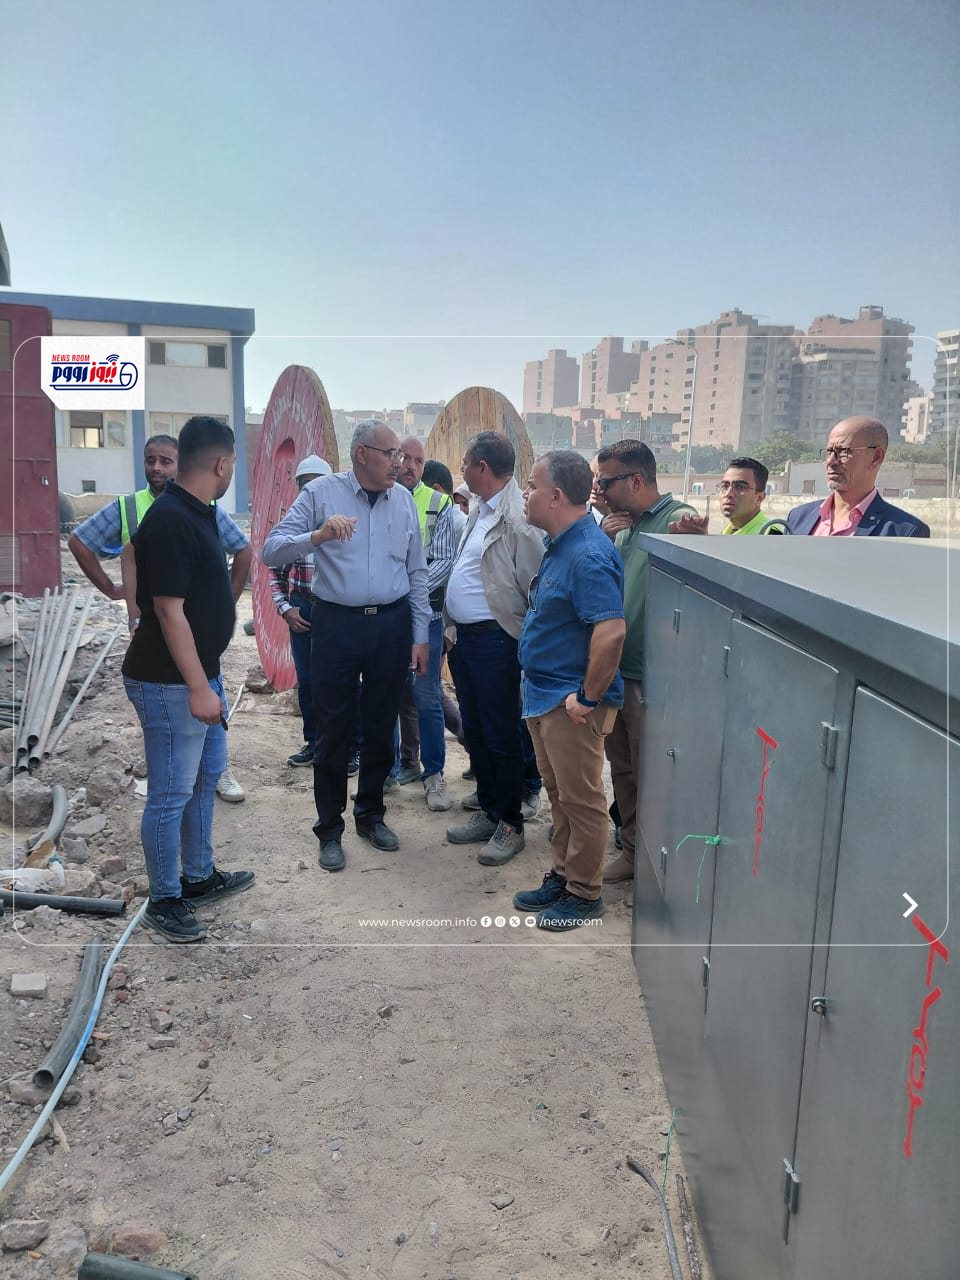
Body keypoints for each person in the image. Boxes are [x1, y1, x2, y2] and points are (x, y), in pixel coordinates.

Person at [261, 420, 430, 872]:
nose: (399, 463)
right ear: (361, 454)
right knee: (333, 729)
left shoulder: (404, 502)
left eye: (401, 455)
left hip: (390, 625)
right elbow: (271, 550)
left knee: (380, 726)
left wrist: (419, 635)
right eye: (390, 454)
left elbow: (416, 573)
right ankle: (329, 828)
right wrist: (317, 537)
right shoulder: (321, 495)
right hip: (335, 624)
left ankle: (370, 815)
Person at [121, 417, 255, 943]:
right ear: (222, 464)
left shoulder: (199, 511)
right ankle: (164, 898)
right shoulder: (172, 519)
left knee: (203, 779)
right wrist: (199, 687)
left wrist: (207, 679)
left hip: (201, 675)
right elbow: (168, 610)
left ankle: (198, 876)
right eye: (233, 464)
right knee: (171, 792)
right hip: (168, 682)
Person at [74, 433, 251, 803]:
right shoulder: (133, 508)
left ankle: (214, 774)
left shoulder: (203, 507)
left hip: (196, 641)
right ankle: (182, 778)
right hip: (158, 640)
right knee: (173, 766)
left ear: (182, 464)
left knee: (206, 727)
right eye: (150, 460)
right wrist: (112, 590)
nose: (157, 468)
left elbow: (243, 550)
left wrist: (225, 602)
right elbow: (88, 544)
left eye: (165, 461)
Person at [513, 452, 625, 929]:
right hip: (545, 695)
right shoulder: (560, 545)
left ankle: (584, 892)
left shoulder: (588, 554)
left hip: (571, 702)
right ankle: (563, 875)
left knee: (582, 800)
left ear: (556, 496)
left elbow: (611, 632)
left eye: (532, 486)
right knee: (559, 795)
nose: (525, 494)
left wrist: (588, 698)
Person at [595, 440, 698, 884]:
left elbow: (698, 564)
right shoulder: (621, 526)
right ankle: (633, 849)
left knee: (652, 774)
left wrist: (697, 541)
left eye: (606, 482)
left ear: (636, 480)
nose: (599, 490)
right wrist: (603, 534)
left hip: (652, 678)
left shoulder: (677, 520)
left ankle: (659, 864)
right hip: (619, 671)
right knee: (622, 768)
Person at [444, 432, 545, 865]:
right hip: (466, 641)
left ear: (481, 467)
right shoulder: (479, 511)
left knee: (501, 735)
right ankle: (488, 810)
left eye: (465, 463)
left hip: (497, 641)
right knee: (477, 730)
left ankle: (510, 824)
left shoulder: (519, 518)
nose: (461, 470)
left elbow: (535, 586)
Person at [393, 437, 458, 810]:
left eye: (418, 461)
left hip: (426, 617)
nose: (411, 466)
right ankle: (386, 772)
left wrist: (406, 591)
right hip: (384, 618)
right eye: (405, 457)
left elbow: (445, 560)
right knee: (382, 694)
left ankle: (434, 776)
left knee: (427, 696)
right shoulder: (377, 497)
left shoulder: (439, 503)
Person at [268, 454, 335, 768]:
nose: (310, 490)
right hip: (304, 610)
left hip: (336, 612)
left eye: (316, 484)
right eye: (305, 485)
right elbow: (275, 573)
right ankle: (314, 743)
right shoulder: (292, 530)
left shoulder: (342, 523)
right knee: (307, 681)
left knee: (341, 681)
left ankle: (350, 747)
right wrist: (286, 610)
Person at [786, 417, 931, 537]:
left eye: (843, 451)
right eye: (829, 451)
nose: (831, 461)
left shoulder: (904, 532)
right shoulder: (798, 518)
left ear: (876, 457)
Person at [669, 457, 783, 536]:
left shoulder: (771, 535)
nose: (729, 493)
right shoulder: (728, 532)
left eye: (740, 487)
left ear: (759, 498)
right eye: (725, 486)